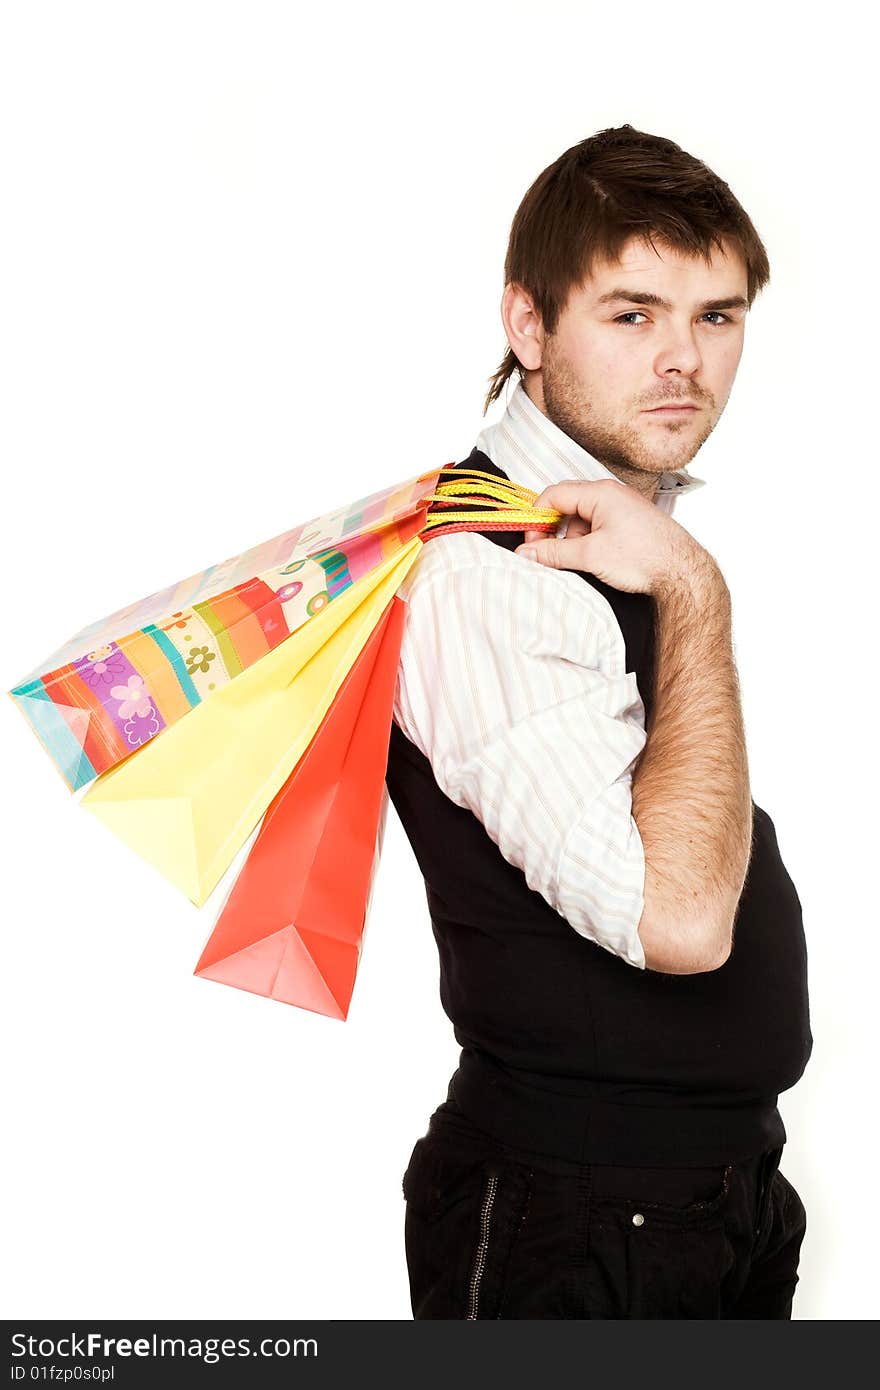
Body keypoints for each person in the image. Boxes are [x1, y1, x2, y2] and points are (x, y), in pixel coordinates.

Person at [384, 123, 812, 1320]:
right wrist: (694, 587)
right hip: (573, 1218)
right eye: (633, 315)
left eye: (716, 317)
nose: (684, 359)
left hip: (698, 1201)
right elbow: (674, 920)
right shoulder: (490, 572)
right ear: (529, 323)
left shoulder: (612, 539)